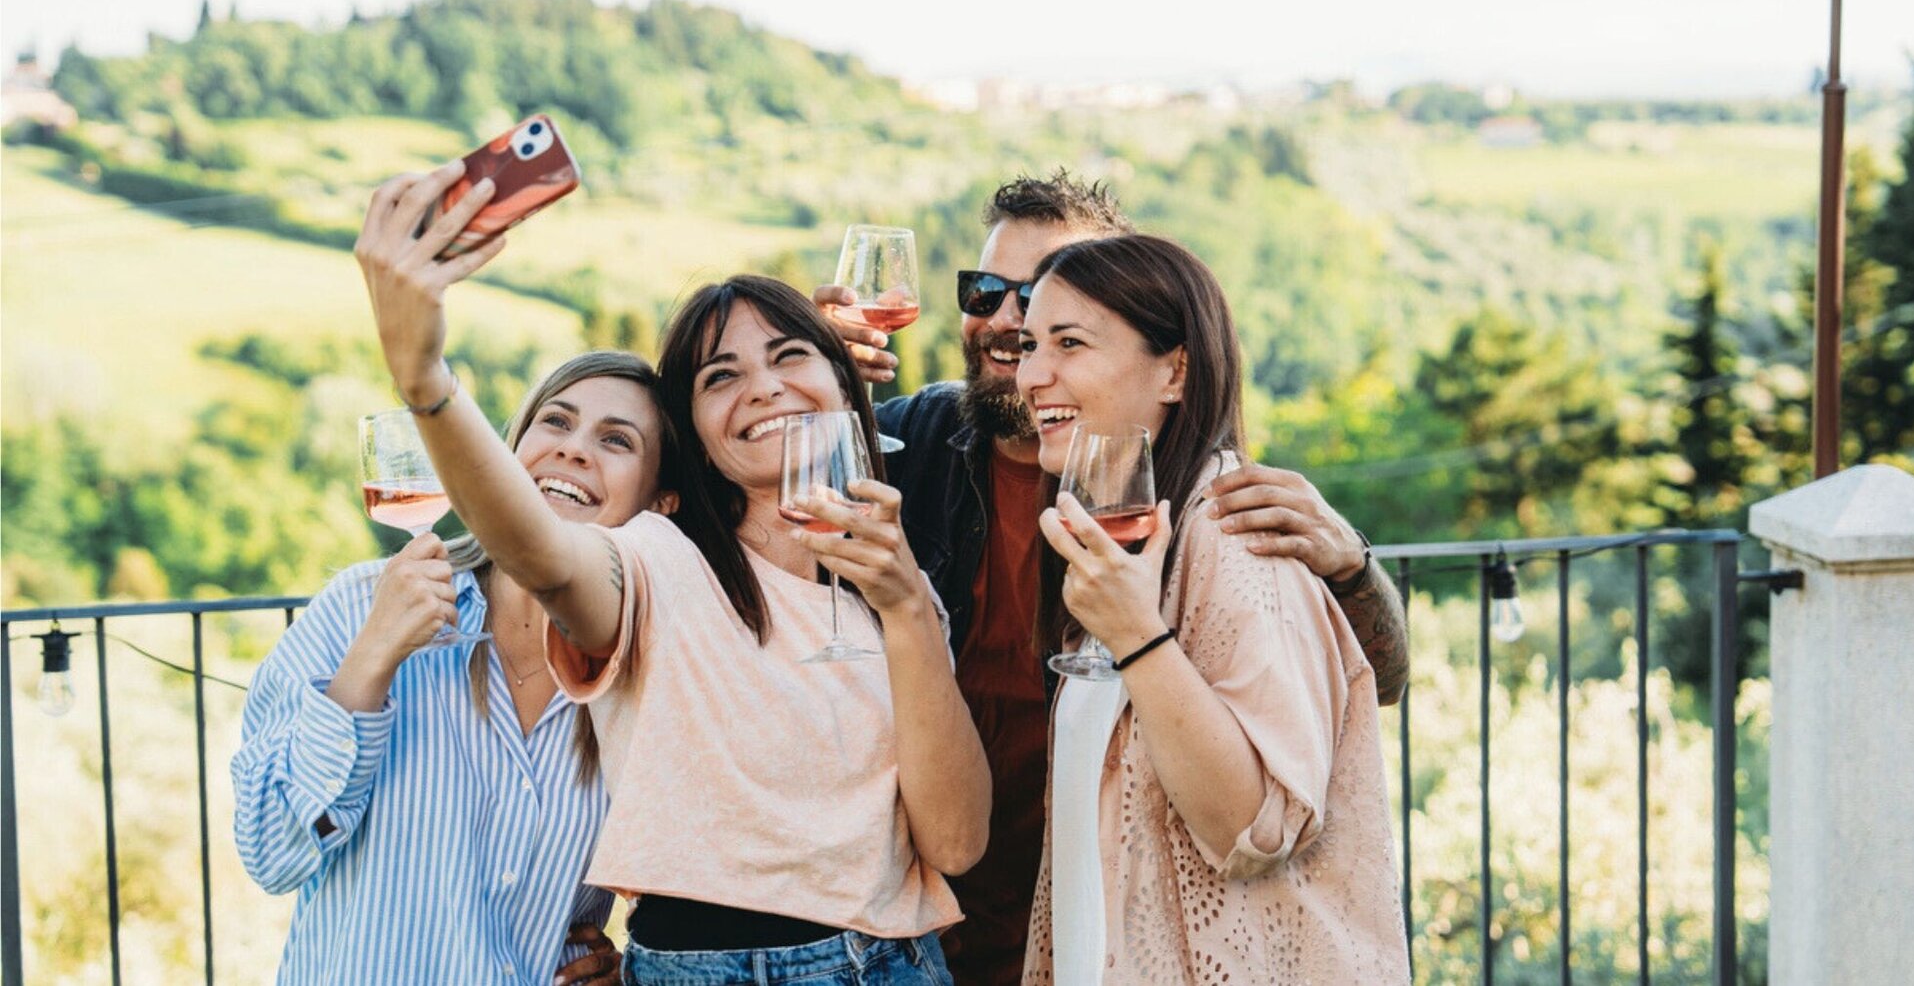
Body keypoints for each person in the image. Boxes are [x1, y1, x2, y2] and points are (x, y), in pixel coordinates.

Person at [354, 160, 990, 986]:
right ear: (696, 429)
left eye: (790, 355)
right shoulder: (656, 559)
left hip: (895, 965)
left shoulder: (896, 583)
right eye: (720, 376)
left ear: (844, 381)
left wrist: (907, 610)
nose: (762, 388)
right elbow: (540, 550)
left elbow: (957, 841)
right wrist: (426, 379)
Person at [816, 171, 1409, 985]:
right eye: (987, 290)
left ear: (1168, 366)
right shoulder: (908, 445)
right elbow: (719, 506)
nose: (1009, 327)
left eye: (1058, 320)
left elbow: (1353, 694)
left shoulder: (1202, 517)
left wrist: (1354, 568)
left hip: (1115, 927)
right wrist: (810, 382)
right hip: (931, 933)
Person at [1017, 234, 1408, 983]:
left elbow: (1250, 826)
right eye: (1030, 345)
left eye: (1068, 342)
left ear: (1175, 369)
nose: (1034, 374)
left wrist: (1137, 636)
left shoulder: (1235, 537)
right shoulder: (1125, 534)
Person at [231, 348, 669, 986]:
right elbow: (272, 853)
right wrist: (375, 654)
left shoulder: (652, 671)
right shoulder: (360, 606)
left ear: (662, 505)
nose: (575, 450)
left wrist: (628, 972)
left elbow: (694, 883)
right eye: (556, 422)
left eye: (615, 439)